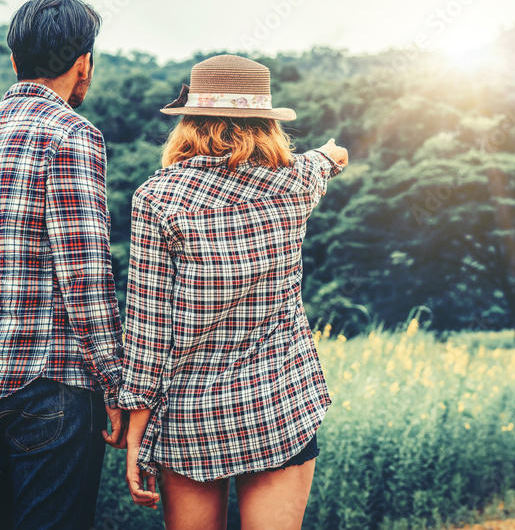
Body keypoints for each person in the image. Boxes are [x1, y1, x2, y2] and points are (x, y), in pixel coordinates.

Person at [0, 0, 127, 529]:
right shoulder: (71, 135)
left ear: (15, 60)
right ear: (84, 61)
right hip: (49, 388)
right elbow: (85, 274)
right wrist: (114, 382)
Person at [120, 54, 348, 529]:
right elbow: (331, 158)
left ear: (190, 122)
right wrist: (331, 155)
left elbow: (148, 331)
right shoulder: (298, 180)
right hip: (279, 404)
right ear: (266, 123)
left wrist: (135, 437)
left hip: (191, 417)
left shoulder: (157, 198)